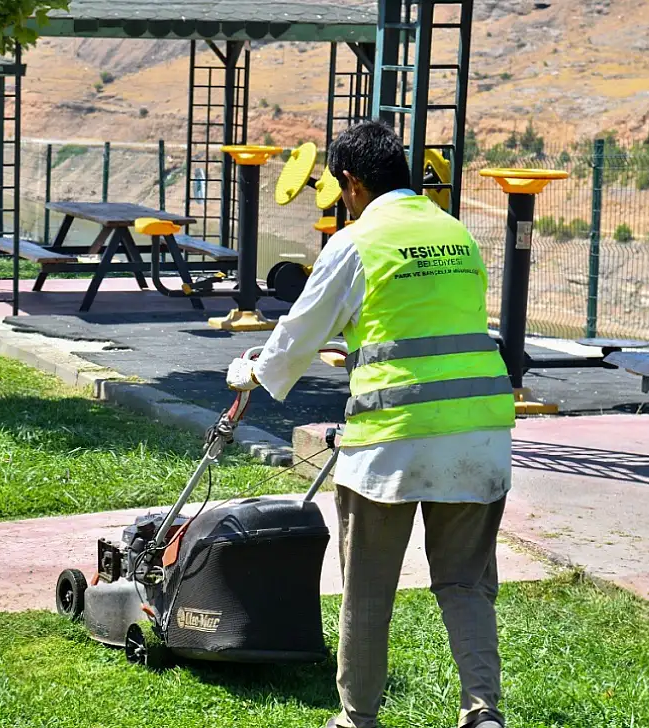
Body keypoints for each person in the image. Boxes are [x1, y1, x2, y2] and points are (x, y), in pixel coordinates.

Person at [226, 120, 515, 728]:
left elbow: (302, 331)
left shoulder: (356, 243)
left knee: (367, 591)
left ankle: (358, 719)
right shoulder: (457, 234)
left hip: (392, 442)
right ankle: (483, 713)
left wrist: (254, 372)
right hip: (480, 433)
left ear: (352, 183)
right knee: (466, 583)